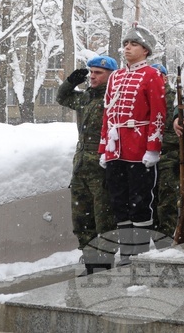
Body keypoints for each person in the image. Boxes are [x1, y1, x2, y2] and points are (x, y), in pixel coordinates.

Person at [99, 26, 166, 266]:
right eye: (126, 43)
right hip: (117, 148)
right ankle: (126, 247)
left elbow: (158, 113)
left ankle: (138, 247)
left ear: (145, 50)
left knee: (140, 199)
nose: (127, 47)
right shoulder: (115, 76)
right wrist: (105, 148)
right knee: (118, 199)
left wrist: (153, 147)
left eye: (133, 44)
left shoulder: (152, 75)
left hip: (139, 147)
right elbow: (108, 114)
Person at [57, 55, 118, 275]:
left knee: (104, 219)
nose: (92, 76)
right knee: (81, 218)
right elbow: (62, 98)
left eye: (98, 73)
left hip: (101, 168)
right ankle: (91, 260)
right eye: (91, 72)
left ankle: (104, 264)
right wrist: (70, 81)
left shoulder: (114, 99)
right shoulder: (85, 98)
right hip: (81, 166)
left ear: (111, 75)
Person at [151, 63, 180, 242]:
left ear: (165, 78)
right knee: (149, 201)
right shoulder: (146, 98)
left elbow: (181, 135)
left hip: (169, 157)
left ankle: (165, 238)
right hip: (148, 158)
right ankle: (154, 235)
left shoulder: (174, 100)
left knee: (167, 200)